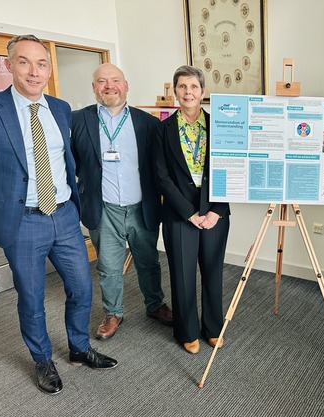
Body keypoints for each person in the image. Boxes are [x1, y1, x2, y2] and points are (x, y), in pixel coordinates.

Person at [0, 34, 117, 395]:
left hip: (64, 215)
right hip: (24, 222)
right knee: (31, 299)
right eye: (24, 62)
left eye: (42, 63)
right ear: (9, 65)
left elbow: (69, 161)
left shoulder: (61, 108)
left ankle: (79, 348)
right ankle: (42, 359)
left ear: (49, 69)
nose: (34, 71)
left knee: (81, 287)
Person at [71, 64, 172, 340]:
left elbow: (158, 168)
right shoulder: (78, 120)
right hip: (103, 209)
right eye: (101, 81)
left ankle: (155, 305)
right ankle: (113, 312)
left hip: (141, 207)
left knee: (149, 261)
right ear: (94, 88)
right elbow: (72, 165)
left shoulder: (148, 123)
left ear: (126, 85)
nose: (109, 86)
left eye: (115, 80)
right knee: (108, 266)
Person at [155, 65, 230, 354]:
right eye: (182, 87)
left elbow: (232, 171)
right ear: (175, 91)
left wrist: (216, 210)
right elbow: (161, 177)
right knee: (182, 275)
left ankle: (213, 328)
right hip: (179, 214)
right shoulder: (162, 130)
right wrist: (189, 212)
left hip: (214, 212)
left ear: (203, 92)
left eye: (194, 87)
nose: (188, 92)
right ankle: (186, 331)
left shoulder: (221, 126)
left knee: (213, 272)